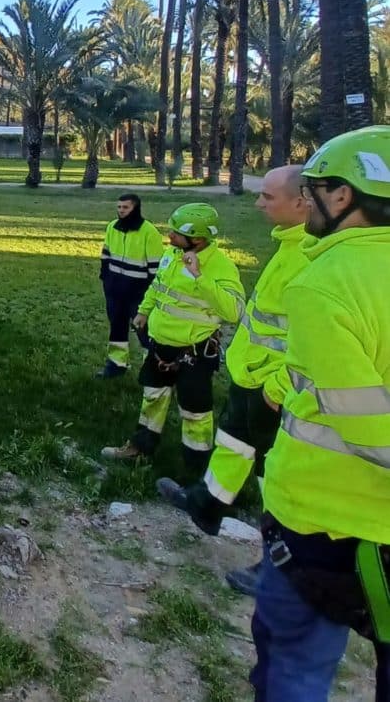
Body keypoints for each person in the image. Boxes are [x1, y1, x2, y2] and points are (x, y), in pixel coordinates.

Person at [249, 127, 390, 701]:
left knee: (296, 662)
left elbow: (366, 425)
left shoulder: (323, 283)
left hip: (326, 523)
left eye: (316, 189)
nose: (307, 201)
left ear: (343, 197)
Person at [156, 166, 310, 596]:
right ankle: (207, 505)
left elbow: (313, 337)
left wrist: (277, 387)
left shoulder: (308, 256)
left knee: (274, 475)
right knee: (235, 442)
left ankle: (279, 566)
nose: (258, 203)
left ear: (301, 202)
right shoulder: (291, 245)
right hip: (253, 374)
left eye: (268, 196)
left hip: (275, 386)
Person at [101, 202, 245, 474]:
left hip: (194, 352)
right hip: (161, 346)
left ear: (198, 239)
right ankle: (139, 449)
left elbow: (234, 311)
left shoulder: (221, 266)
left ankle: (196, 468)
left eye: (177, 233)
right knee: (152, 398)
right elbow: (159, 285)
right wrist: (144, 311)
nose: (170, 236)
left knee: (195, 412)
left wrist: (199, 277)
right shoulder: (173, 254)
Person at [97, 193, 163, 378]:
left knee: (145, 332)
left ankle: (152, 371)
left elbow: (155, 268)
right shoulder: (112, 227)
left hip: (138, 293)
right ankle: (116, 365)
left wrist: (150, 293)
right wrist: (106, 280)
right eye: (119, 207)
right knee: (117, 328)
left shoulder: (149, 232)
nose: (121, 211)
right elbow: (106, 255)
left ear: (135, 208)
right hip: (114, 290)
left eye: (125, 207)